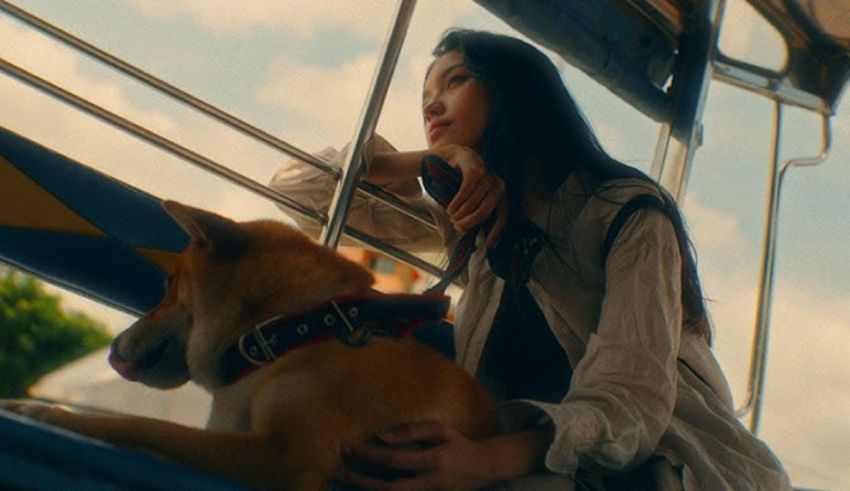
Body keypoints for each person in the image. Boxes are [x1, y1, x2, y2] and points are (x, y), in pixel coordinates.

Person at [270, 29, 791, 490]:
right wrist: (423, 161)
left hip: (665, 467)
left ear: (514, 93)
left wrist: (479, 461)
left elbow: (630, 403)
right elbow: (299, 191)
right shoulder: (469, 224)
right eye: (425, 95)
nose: (430, 107)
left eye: (455, 82)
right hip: (515, 467)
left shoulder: (627, 212)